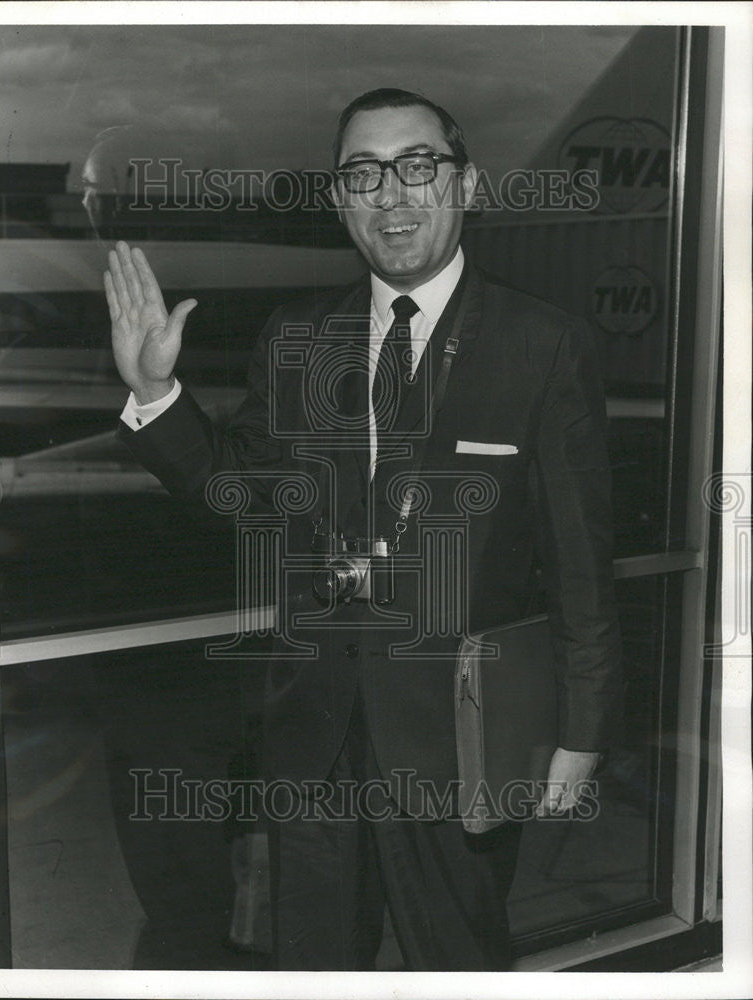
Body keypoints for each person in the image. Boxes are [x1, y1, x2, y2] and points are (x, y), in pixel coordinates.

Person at [104, 88, 623, 971]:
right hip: (313, 734)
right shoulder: (298, 334)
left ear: (468, 185)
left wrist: (580, 735)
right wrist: (156, 394)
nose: (393, 194)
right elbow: (240, 489)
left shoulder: (544, 345)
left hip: (459, 739)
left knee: (456, 964)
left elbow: (583, 567)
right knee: (314, 966)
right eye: (364, 173)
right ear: (342, 200)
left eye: (419, 166)